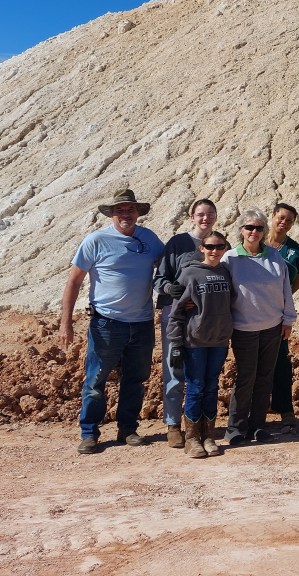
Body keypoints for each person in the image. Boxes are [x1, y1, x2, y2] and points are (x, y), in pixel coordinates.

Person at [58, 189, 164, 455]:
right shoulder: (96, 240)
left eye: (130, 209)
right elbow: (74, 281)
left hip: (142, 323)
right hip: (106, 323)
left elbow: (169, 267)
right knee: (96, 380)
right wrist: (65, 322)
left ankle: (127, 429)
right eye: (120, 210)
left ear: (138, 213)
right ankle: (89, 433)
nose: (125, 214)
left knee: (136, 379)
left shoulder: (150, 239)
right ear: (112, 214)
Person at [221, 208, 297, 445]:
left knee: (265, 377)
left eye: (259, 228)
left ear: (264, 231)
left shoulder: (274, 257)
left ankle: (257, 426)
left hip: (272, 327)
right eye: (249, 227)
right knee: (246, 378)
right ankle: (235, 428)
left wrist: (288, 319)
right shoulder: (230, 259)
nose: (254, 232)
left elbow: (285, 289)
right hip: (243, 329)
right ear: (241, 229)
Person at [153, 198, 218, 449]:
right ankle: (172, 425)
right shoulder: (178, 243)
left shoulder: (218, 243)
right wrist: (170, 289)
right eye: (201, 214)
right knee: (174, 368)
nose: (205, 218)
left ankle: (197, 425)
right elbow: (160, 278)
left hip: (204, 320)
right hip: (177, 318)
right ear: (192, 216)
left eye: (210, 214)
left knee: (200, 373)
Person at [166, 230, 234, 459]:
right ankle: (192, 438)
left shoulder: (225, 272)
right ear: (202, 248)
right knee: (195, 387)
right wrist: (176, 344)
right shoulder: (190, 274)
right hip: (195, 341)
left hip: (219, 341)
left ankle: (209, 436)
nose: (215, 251)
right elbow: (176, 312)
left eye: (220, 247)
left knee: (212, 386)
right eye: (210, 247)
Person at [265, 202, 299, 432]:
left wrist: (284, 298)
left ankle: (285, 409)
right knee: (252, 363)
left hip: (279, 315)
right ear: (272, 216)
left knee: (281, 361)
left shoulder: (294, 250)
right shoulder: (256, 242)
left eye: (289, 220)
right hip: (251, 314)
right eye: (280, 217)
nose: (284, 222)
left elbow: (298, 279)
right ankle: (254, 410)